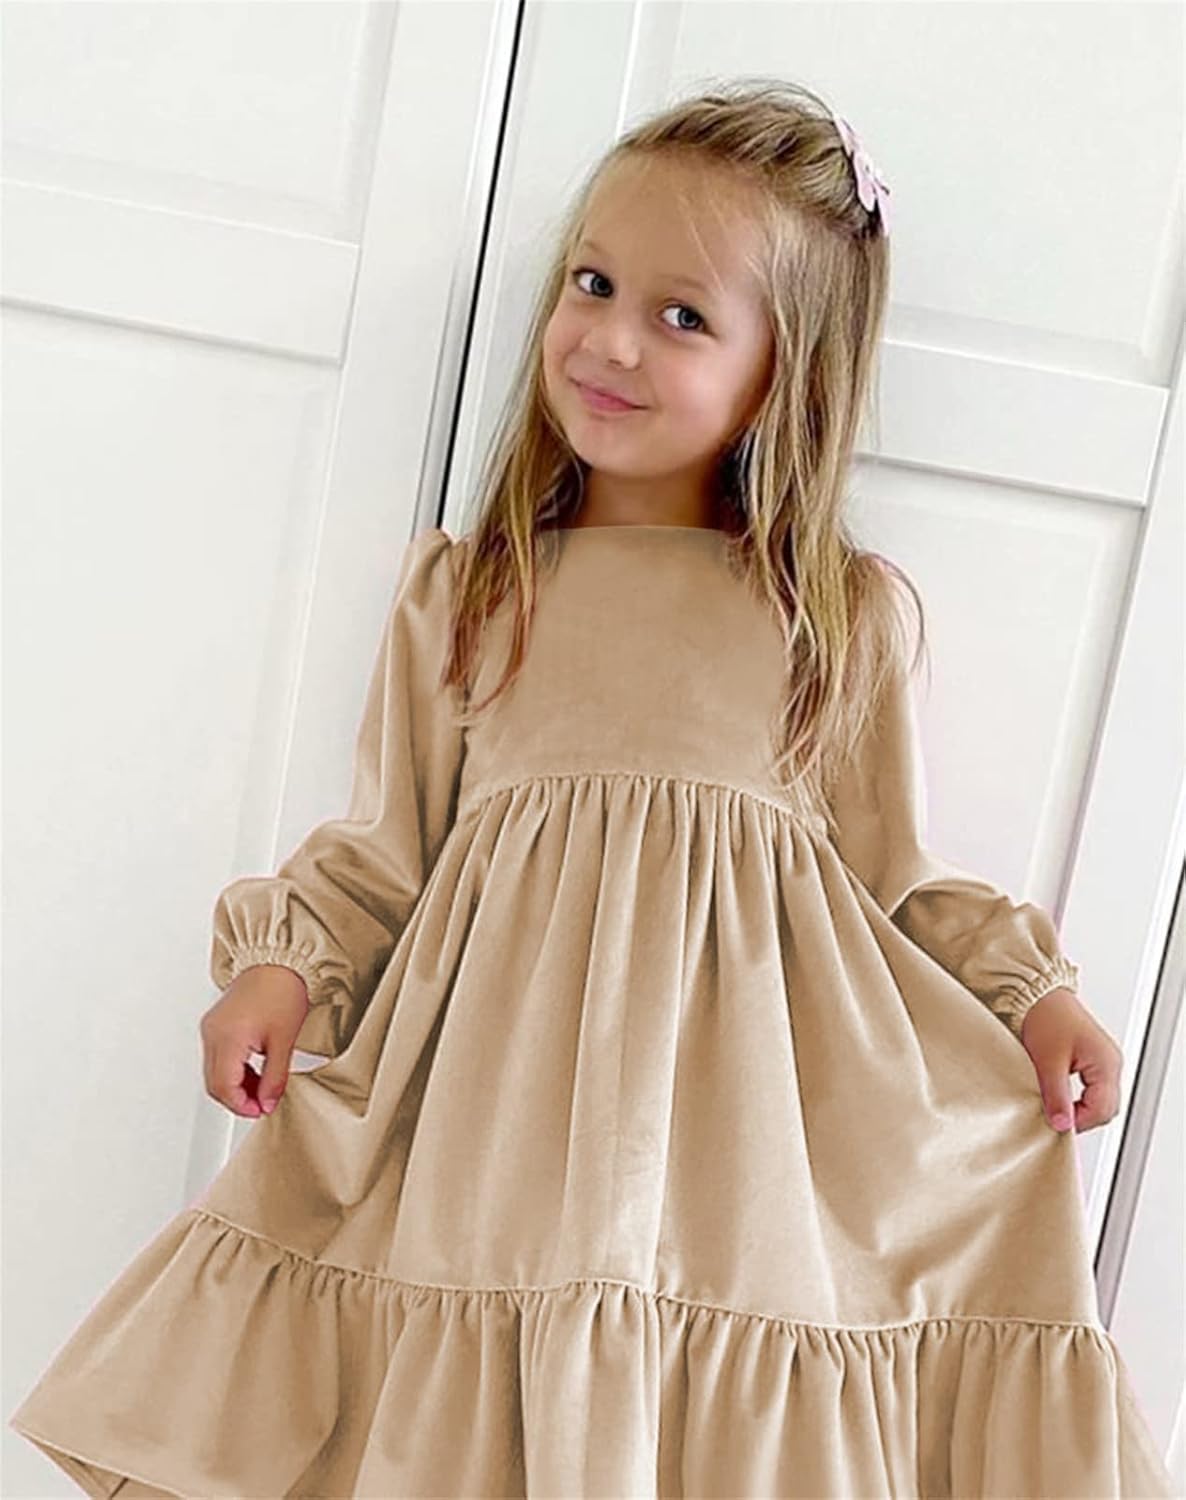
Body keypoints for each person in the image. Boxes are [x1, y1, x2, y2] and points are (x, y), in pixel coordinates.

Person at [8, 77, 1174, 1500]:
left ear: (783, 375)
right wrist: (280, 971)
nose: (611, 340)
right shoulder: (471, 593)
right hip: (489, 1131)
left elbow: (897, 881)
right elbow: (387, 851)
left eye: (683, 316)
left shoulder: (827, 619)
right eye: (593, 283)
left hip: (734, 1167)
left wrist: (1031, 998)